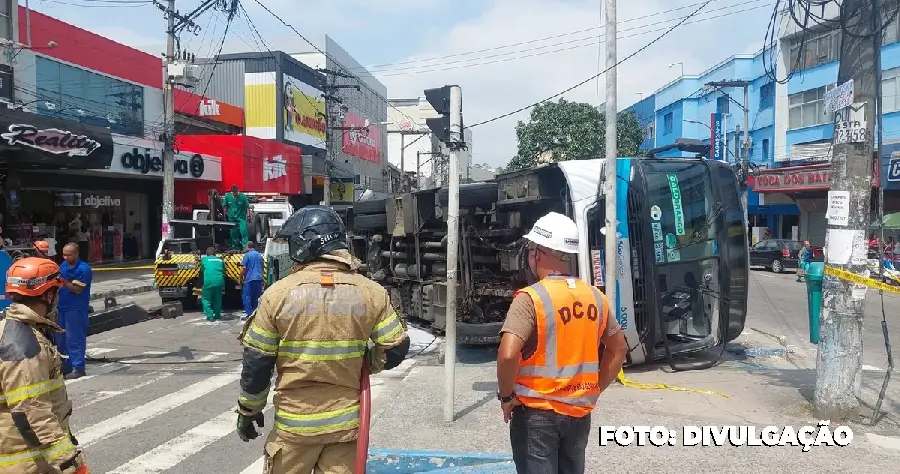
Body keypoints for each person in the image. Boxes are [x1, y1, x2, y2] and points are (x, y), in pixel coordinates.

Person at [236, 205, 410, 474]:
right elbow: (397, 347)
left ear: (305, 243)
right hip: (345, 429)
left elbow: (258, 362)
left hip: (294, 431)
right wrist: (365, 363)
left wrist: (248, 411)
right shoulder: (371, 292)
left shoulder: (277, 295)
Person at [496, 212, 628, 474]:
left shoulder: (531, 298)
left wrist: (507, 396)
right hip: (578, 415)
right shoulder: (595, 297)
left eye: (532, 249)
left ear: (539, 253)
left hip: (536, 415)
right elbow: (619, 348)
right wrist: (594, 389)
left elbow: (508, 354)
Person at [0, 257, 90, 474]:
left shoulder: (12, 329)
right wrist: (71, 464)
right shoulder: (23, 343)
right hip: (26, 464)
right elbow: (31, 412)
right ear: (49, 295)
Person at [56, 243, 92, 380]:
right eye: (64, 254)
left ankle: (78, 367)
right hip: (62, 307)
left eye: (68, 254)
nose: (65, 257)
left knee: (74, 338)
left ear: (76, 254)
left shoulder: (84, 269)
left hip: (76, 309)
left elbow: (77, 289)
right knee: (61, 339)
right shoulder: (63, 266)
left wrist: (63, 281)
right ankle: (66, 366)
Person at [200, 247, 225, 322]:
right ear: (215, 254)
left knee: (206, 299)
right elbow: (223, 271)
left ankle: (210, 316)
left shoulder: (204, 260)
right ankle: (217, 315)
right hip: (219, 281)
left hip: (209, 281)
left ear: (207, 254)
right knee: (217, 298)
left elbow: (202, 269)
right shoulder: (220, 260)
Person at [241, 241, 265, 321]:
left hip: (250, 279)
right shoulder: (259, 255)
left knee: (246, 297)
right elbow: (262, 266)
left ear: (248, 247)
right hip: (259, 278)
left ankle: (250, 315)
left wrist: (240, 276)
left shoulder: (247, 255)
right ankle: (255, 314)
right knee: (256, 297)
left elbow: (244, 268)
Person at [223, 185, 250, 250]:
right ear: (232, 192)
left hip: (241, 218)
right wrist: (225, 215)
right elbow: (225, 206)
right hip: (232, 218)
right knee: (233, 233)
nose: (235, 195)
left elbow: (247, 207)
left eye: (236, 192)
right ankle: (235, 247)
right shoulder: (227, 196)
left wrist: (248, 215)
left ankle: (245, 246)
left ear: (238, 191)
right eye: (234, 193)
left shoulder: (242, 196)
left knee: (243, 231)